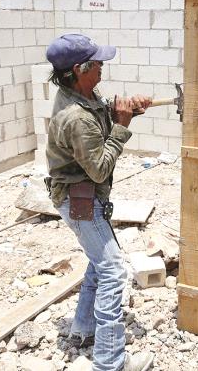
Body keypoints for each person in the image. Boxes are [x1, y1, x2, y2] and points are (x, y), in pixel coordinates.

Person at [43, 34, 154, 371]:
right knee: (113, 270)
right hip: (80, 198)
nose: (103, 66)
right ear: (81, 68)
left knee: (99, 259)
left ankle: (84, 329)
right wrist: (122, 125)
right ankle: (109, 363)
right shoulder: (75, 117)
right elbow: (100, 167)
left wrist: (125, 109)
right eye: (98, 62)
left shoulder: (82, 94)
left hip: (84, 194)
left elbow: (98, 114)